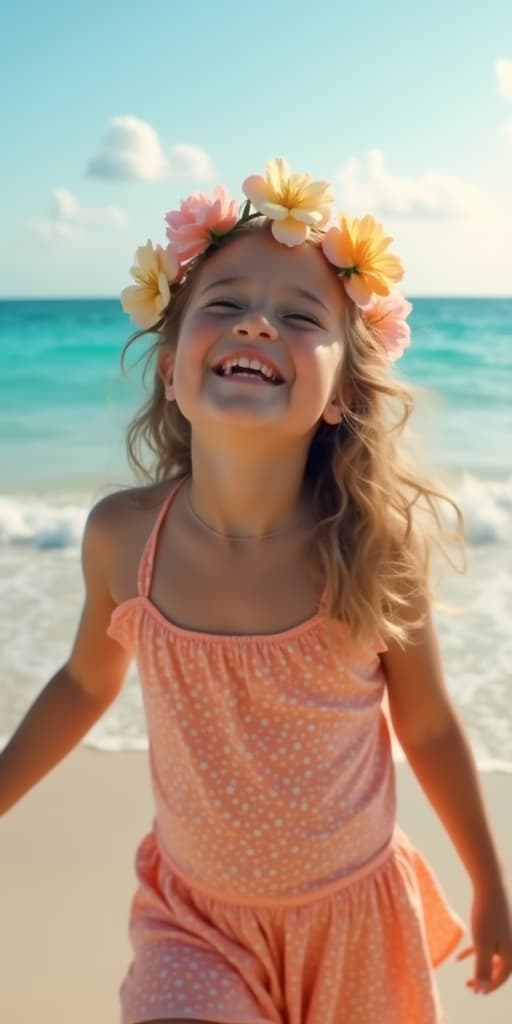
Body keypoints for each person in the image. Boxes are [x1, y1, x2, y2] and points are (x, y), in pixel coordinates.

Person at [1, 157, 511, 1024]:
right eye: (226, 303)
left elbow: (424, 723)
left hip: (352, 918)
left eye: (299, 315)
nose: (259, 325)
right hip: (194, 923)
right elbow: (89, 680)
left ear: (342, 395)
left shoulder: (368, 549)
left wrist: (490, 882)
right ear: (171, 368)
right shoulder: (127, 540)